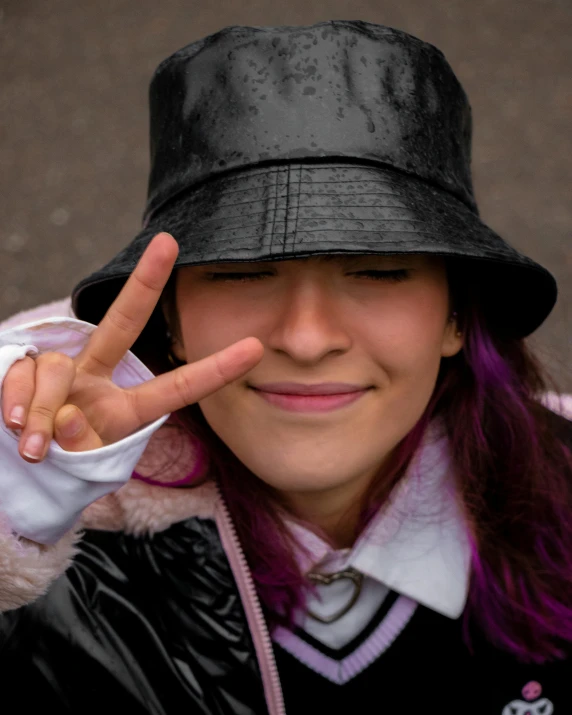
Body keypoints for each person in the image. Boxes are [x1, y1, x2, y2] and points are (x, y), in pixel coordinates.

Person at [0, 20, 570, 714]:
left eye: (379, 269)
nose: (305, 339)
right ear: (170, 322)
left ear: (458, 314)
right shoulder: (55, 530)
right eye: (243, 273)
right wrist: (16, 512)